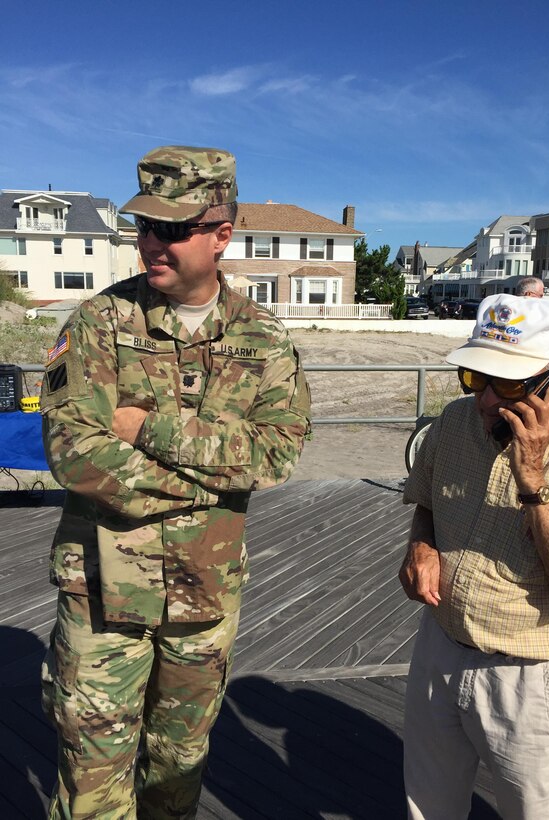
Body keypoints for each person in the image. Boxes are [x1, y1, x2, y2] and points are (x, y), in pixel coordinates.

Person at [40, 145, 311, 819]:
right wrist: (211, 483)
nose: (150, 243)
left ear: (222, 233)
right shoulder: (100, 324)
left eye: (172, 228)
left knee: (177, 766)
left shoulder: (262, 338)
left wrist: (147, 428)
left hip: (203, 593)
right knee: (91, 769)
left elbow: (276, 455)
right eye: (143, 226)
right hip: (103, 591)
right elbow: (74, 455)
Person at [399, 294, 549, 820]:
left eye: (509, 385)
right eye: (475, 377)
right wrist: (422, 544)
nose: (485, 401)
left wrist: (534, 481)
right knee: (426, 808)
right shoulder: (452, 422)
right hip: (440, 650)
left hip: (531, 675)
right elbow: (425, 501)